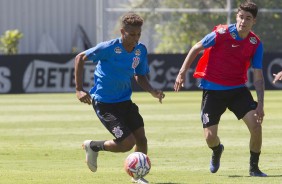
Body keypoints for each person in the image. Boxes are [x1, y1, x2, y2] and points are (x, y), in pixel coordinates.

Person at [174, 1, 267, 177]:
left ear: (253, 21)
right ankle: (217, 150)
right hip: (213, 90)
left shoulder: (255, 43)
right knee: (210, 138)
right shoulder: (221, 33)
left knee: (256, 125)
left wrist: (260, 104)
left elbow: (258, 77)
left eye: (248, 18)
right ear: (236, 17)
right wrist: (182, 72)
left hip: (238, 90)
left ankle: (254, 168)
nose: (243, 22)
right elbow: (196, 47)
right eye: (241, 17)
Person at [74, 12, 165, 184]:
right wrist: (79, 89)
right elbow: (80, 58)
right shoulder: (109, 48)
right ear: (122, 32)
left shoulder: (140, 50)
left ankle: (138, 177)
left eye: (138, 34)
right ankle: (93, 146)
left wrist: (152, 90)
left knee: (141, 139)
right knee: (126, 143)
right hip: (105, 103)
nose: (136, 38)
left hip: (125, 101)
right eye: (132, 34)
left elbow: (140, 75)